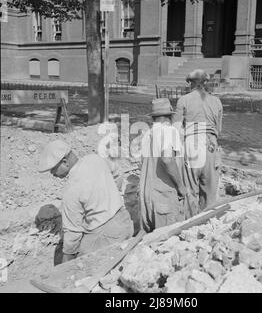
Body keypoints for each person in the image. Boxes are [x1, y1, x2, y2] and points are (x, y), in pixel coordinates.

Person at [38, 140, 133, 263]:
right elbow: (118, 173)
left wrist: (66, 264)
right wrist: (110, 196)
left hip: (107, 236)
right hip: (124, 221)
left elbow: (72, 235)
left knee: (80, 264)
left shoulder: (71, 190)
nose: (52, 174)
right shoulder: (95, 159)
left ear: (65, 162)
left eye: (53, 169)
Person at [172, 69, 223, 216]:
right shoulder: (217, 101)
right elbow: (218, 130)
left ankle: (190, 224)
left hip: (192, 145)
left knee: (189, 189)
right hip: (211, 146)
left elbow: (176, 129)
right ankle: (207, 222)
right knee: (210, 191)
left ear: (190, 83)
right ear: (206, 83)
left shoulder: (184, 100)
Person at [140, 98, 187, 232]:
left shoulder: (147, 134)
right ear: (169, 116)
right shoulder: (169, 131)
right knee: (166, 243)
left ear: (153, 117)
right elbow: (167, 159)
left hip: (146, 197)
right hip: (163, 198)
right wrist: (180, 186)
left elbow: (143, 164)